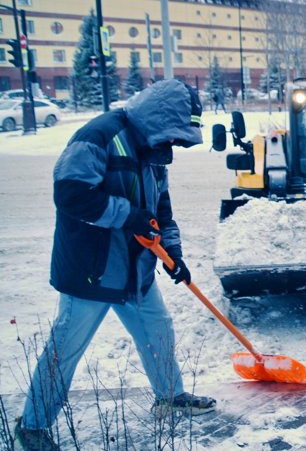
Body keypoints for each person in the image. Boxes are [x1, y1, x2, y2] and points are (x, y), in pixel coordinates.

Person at [14, 80, 216, 450]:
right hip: (93, 269)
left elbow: (161, 211)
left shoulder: (154, 152)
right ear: (158, 120)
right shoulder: (100, 135)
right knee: (65, 349)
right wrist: (128, 216)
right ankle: (32, 425)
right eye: (172, 136)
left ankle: (170, 397)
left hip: (136, 271)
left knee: (159, 330)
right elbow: (71, 194)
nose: (173, 145)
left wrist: (174, 255)